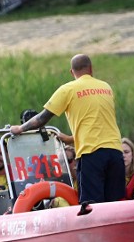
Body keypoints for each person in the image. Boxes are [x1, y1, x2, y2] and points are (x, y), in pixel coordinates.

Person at [11, 54, 124, 205]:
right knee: (115, 203)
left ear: (72, 72)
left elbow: (42, 118)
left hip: (92, 154)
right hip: (115, 152)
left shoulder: (68, 89)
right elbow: (97, 124)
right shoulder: (106, 87)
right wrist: (71, 139)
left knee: (92, 204)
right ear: (91, 69)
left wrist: (20, 128)